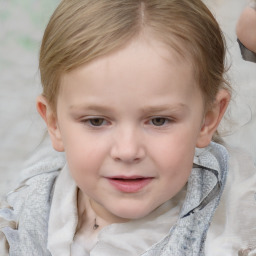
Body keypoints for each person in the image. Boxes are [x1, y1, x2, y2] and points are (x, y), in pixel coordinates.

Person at [0, 0, 255, 255]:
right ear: (54, 124)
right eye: (96, 121)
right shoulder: (22, 215)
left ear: (207, 119)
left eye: (158, 120)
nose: (127, 150)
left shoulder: (239, 223)